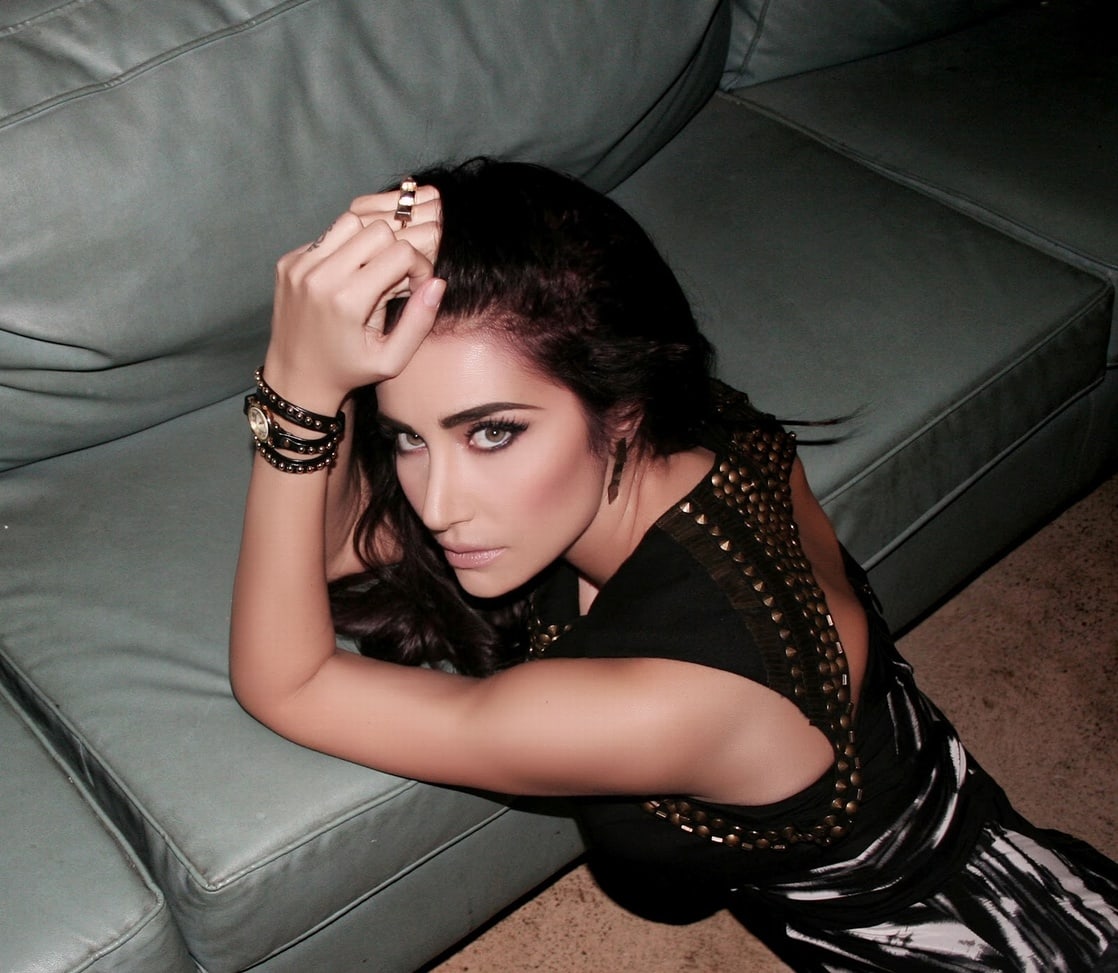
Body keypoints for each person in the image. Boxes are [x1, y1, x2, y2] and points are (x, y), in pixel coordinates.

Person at [230, 159, 1118, 972]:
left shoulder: (674, 699)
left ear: (622, 405)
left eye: (492, 432)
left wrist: (295, 389)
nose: (435, 503)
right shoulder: (696, 433)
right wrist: (330, 375)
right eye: (407, 437)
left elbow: (288, 682)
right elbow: (340, 546)